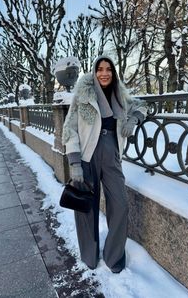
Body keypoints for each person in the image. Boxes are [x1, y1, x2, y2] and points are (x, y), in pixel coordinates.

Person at [62, 55, 147, 273]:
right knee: (86, 208)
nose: (104, 73)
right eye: (100, 69)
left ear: (114, 72)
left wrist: (133, 119)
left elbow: (142, 105)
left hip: (112, 153)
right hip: (86, 156)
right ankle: (89, 255)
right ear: (94, 71)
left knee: (120, 205)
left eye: (108, 69)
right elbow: (69, 127)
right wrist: (74, 162)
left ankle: (114, 255)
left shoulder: (120, 93)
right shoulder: (83, 93)